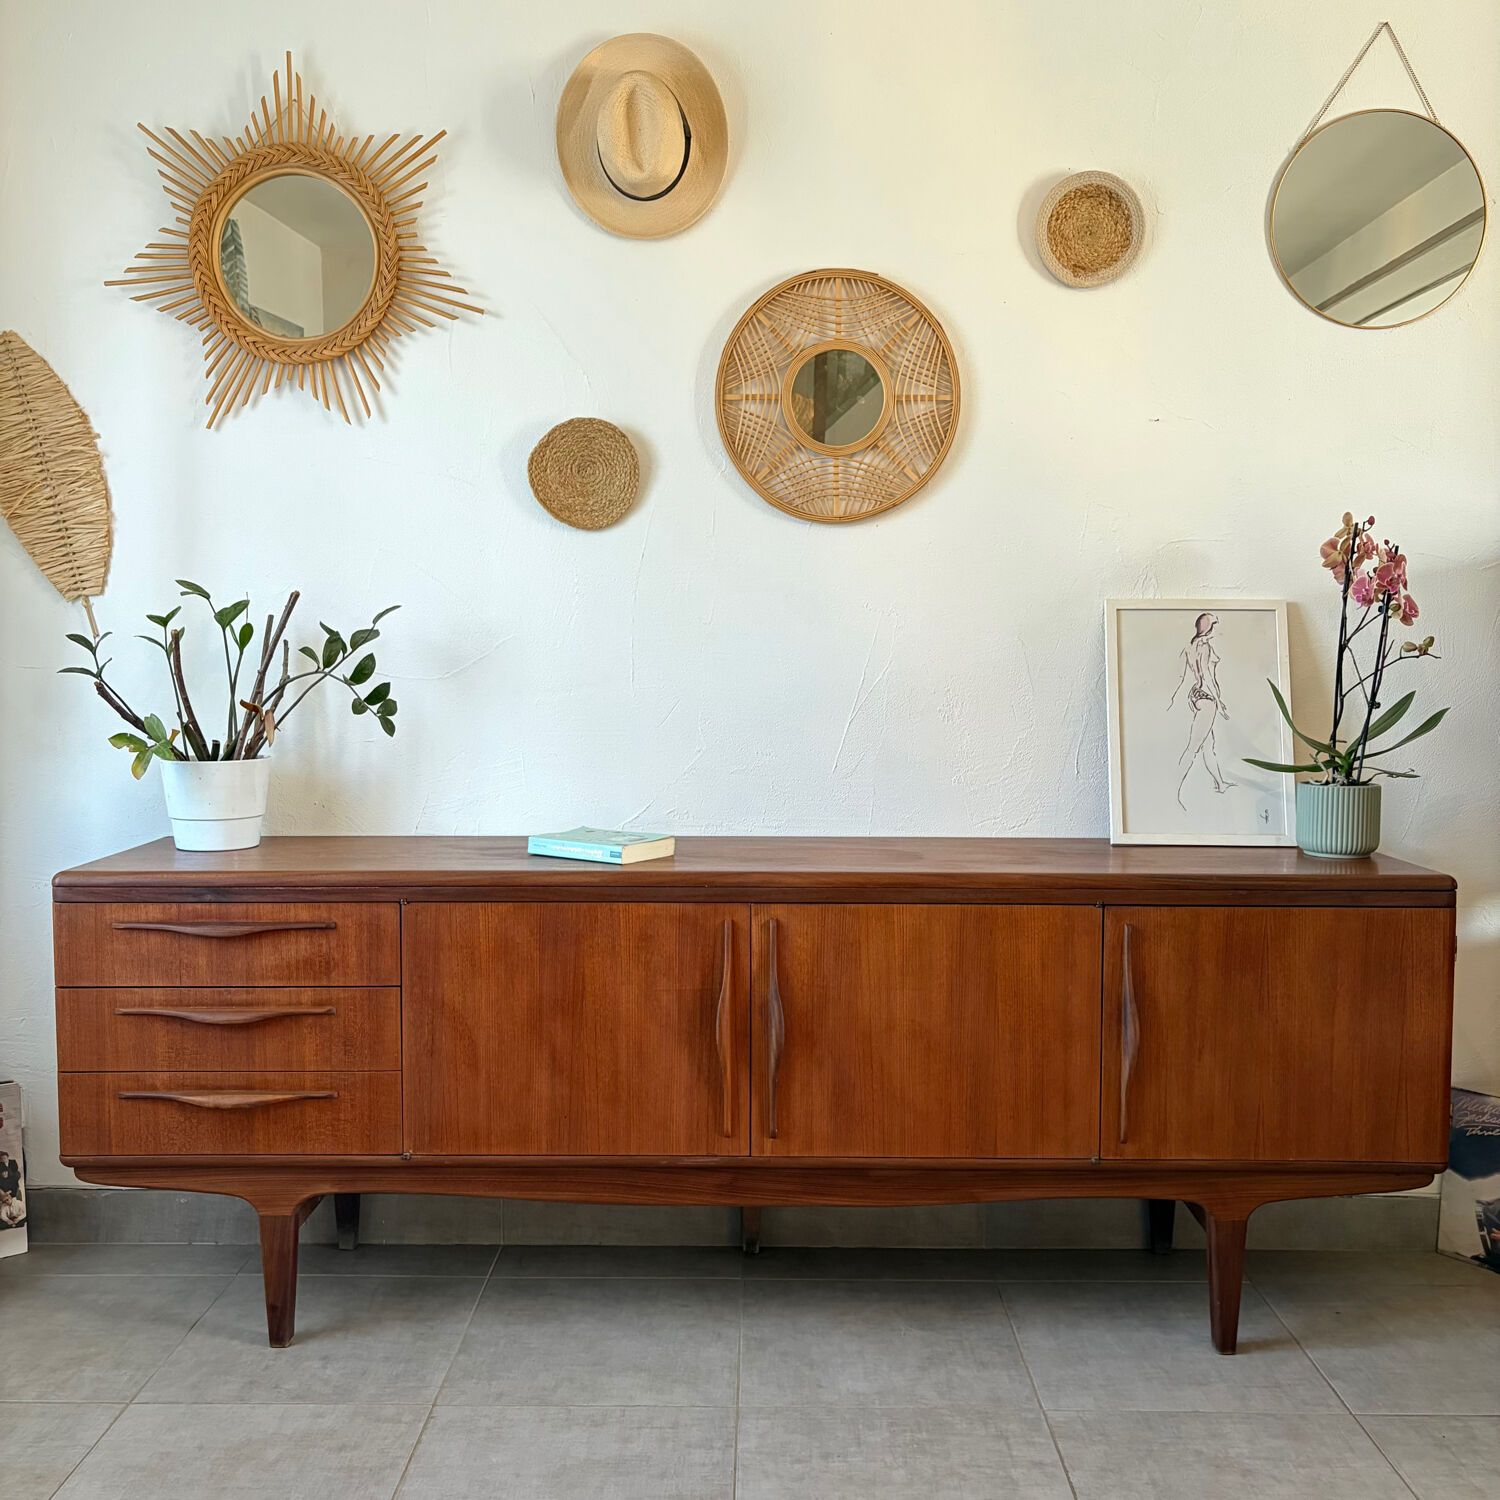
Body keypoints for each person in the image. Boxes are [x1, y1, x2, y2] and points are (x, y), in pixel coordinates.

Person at [1168, 611, 1236, 809]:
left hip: (1196, 695)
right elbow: (1207, 675)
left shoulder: (1190, 646)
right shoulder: (1205, 646)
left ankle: (1220, 783)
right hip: (1207, 698)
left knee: (1208, 745)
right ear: (1209, 628)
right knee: (1193, 747)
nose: (1217, 629)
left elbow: (1183, 676)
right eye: (1215, 625)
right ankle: (1173, 792)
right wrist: (1219, 701)